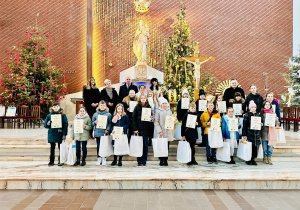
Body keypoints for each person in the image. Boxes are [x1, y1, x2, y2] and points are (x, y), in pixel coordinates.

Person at [132, 95, 154, 166]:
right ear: (140, 99)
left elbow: (151, 119)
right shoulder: (137, 107)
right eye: (142, 98)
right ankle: (139, 160)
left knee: (145, 145)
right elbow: (133, 118)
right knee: (139, 145)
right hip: (139, 129)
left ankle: (144, 161)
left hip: (146, 129)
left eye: (144, 98)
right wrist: (135, 129)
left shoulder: (149, 107)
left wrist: (151, 118)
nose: (143, 99)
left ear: (146, 99)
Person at [154, 97, 174, 166]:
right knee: (161, 146)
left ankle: (165, 160)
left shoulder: (169, 111)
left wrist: (173, 122)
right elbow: (156, 122)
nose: (164, 105)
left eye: (165, 103)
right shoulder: (158, 111)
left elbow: (171, 120)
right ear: (161, 104)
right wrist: (159, 131)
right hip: (161, 131)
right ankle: (161, 160)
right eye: (163, 103)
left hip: (167, 131)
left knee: (167, 146)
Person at [91, 100, 112, 166]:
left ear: (106, 106)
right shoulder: (95, 114)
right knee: (98, 146)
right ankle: (99, 158)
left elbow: (110, 123)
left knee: (104, 146)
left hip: (104, 132)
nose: (102, 106)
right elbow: (91, 123)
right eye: (101, 105)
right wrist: (95, 122)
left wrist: (108, 129)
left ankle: (104, 158)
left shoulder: (108, 114)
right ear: (98, 106)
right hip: (97, 132)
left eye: (104, 105)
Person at [242, 100, 262, 165]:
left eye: (255, 107)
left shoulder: (257, 115)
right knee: (249, 147)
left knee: (255, 147)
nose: (254, 108)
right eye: (252, 107)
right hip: (249, 133)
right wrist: (244, 134)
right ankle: (248, 159)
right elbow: (244, 125)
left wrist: (260, 124)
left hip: (256, 134)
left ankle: (253, 159)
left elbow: (259, 123)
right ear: (250, 108)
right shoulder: (247, 115)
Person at [260, 101, 278, 165]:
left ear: (270, 106)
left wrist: (276, 120)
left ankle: (269, 158)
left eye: (268, 105)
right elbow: (259, 122)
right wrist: (260, 124)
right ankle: (265, 158)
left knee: (270, 147)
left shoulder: (273, 114)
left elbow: (276, 124)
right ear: (264, 106)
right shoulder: (261, 114)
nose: (267, 106)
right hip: (264, 132)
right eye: (266, 104)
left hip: (271, 132)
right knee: (264, 147)